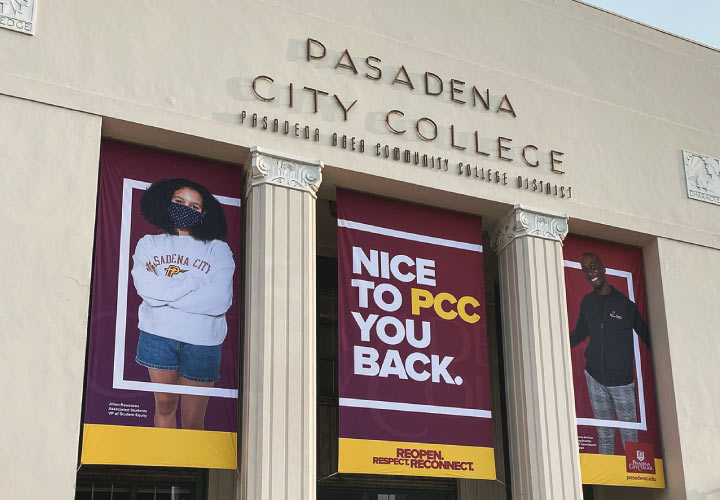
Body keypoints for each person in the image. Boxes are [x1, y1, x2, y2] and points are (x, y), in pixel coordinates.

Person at [131, 178, 235, 430]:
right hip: (157, 336)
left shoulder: (218, 250)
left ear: (203, 213)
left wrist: (166, 295)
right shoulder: (149, 244)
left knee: (193, 419)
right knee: (164, 405)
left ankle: (189, 467)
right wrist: (192, 283)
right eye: (179, 202)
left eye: (194, 207)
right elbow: (146, 289)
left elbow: (219, 300)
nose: (185, 209)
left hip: (203, 342)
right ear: (167, 203)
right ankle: (163, 462)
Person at [569, 252, 650, 455]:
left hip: (622, 382)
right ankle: (605, 479)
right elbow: (580, 331)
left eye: (593, 267)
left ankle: (633, 483)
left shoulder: (626, 305)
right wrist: (555, 345)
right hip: (595, 378)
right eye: (586, 270)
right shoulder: (587, 302)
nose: (590, 273)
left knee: (630, 439)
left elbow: (648, 336)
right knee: (604, 435)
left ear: (603, 268)